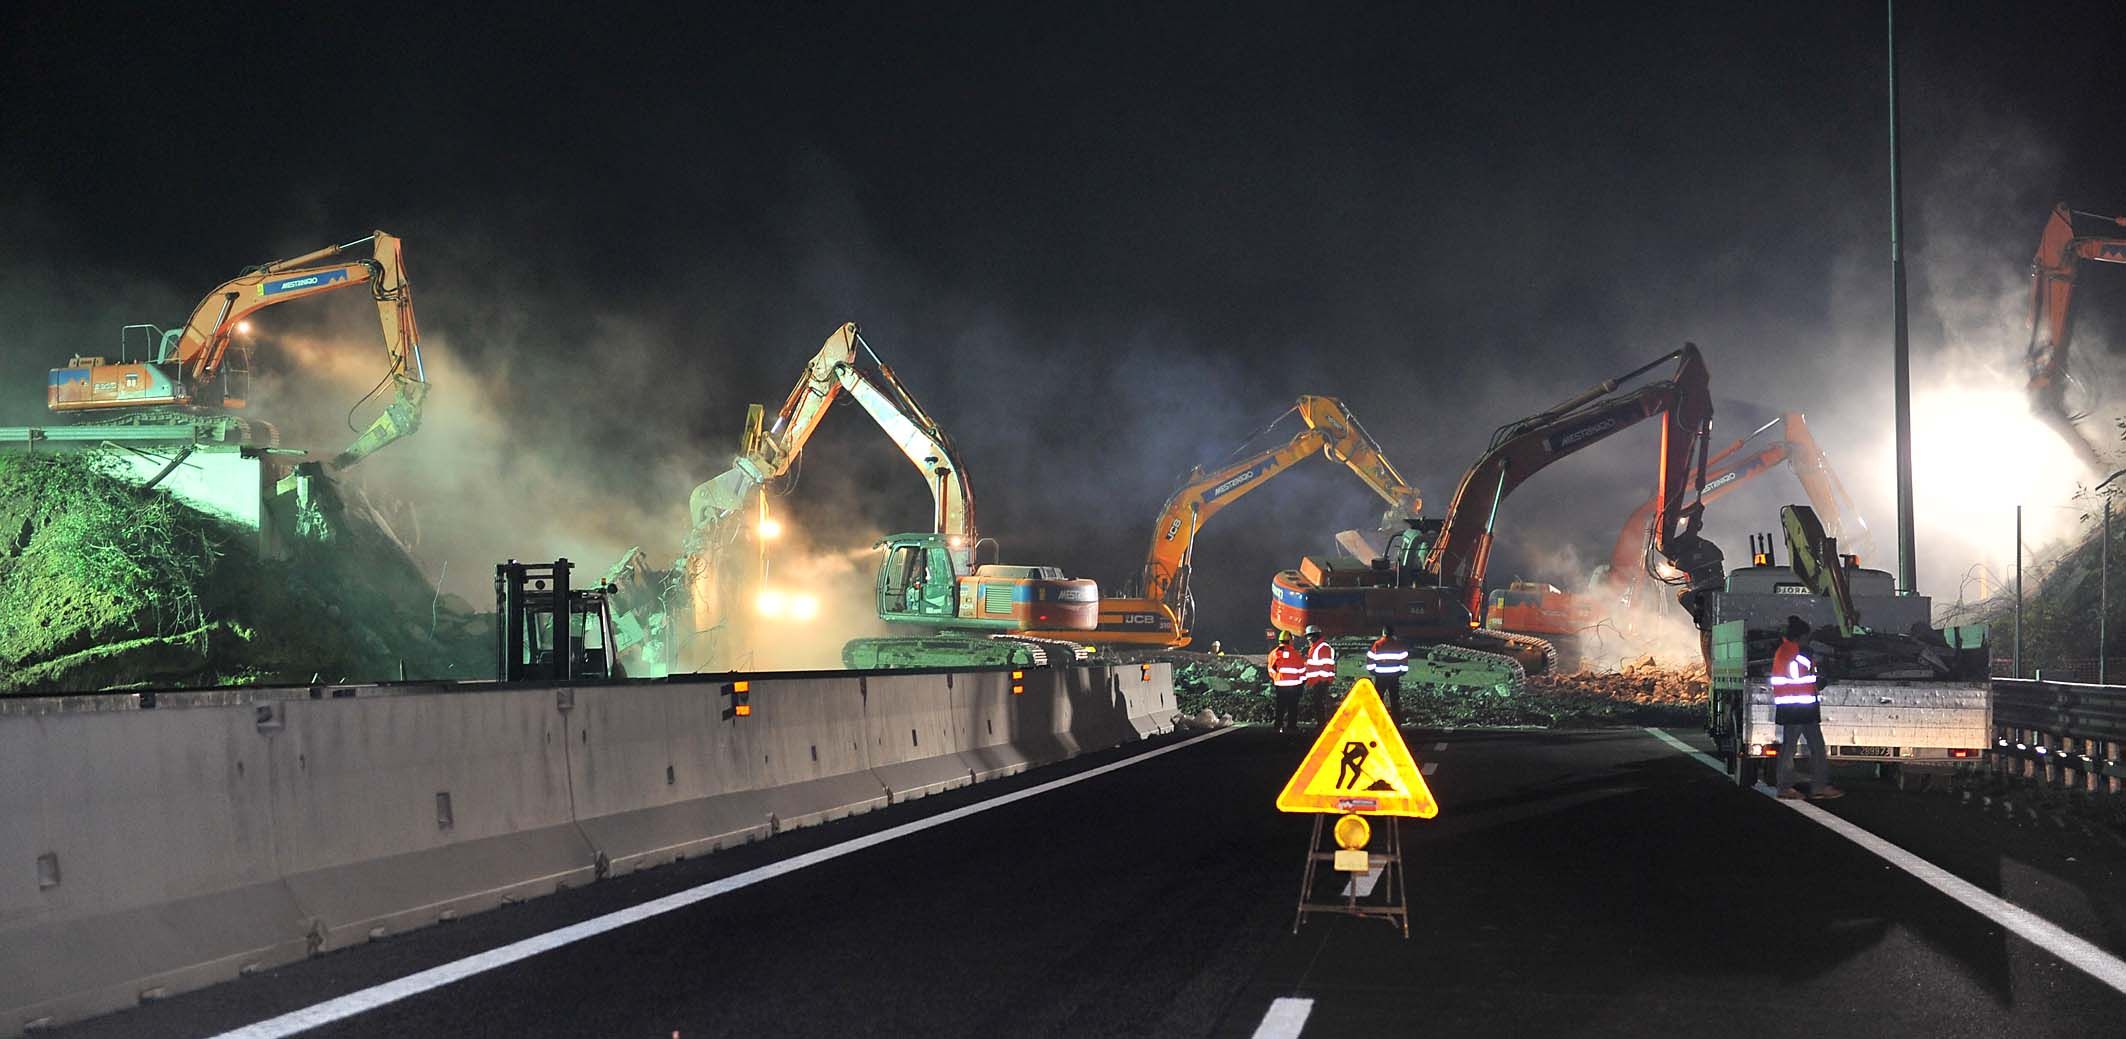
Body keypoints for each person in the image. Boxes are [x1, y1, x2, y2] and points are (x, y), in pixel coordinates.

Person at [1771, 615, 1842, 800]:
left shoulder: (1785, 650)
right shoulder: (1798, 654)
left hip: (1795, 707)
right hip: (1799, 707)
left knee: (1799, 748)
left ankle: (1811, 786)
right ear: (1801, 636)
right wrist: (1820, 681)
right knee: (1808, 748)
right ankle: (1799, 787)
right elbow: (1803, 678)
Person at [1366, 624, 1411, 724]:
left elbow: (1370, 659)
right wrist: (1401, 673)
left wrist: (1373, 672)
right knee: (1394, 699)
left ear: (1383, 633)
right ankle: (1396, 719)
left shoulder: (1377, 644)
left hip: (1380, 677)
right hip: (1394, 677)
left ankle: (1376, 718)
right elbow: (1404, 660)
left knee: (1378, 698)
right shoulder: (1398, 645)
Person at [1268, 631, 1308, 734]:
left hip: (1280, 685)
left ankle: (1278, 726)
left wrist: (1277, 678)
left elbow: (1271, 670)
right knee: (1292, 707)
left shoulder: (1274, 653)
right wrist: (1302, 682)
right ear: (1290, 641)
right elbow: (1302, 670)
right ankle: (1291, 726)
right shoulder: (1296, 654)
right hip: (1294, 686)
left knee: (1280, 706)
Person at [1303, 625, 1337, 727]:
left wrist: (1322, 680)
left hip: (1321, 681)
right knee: (1318, 702)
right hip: (1317, 681)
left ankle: (1322, 723)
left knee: (1319, 702)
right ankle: (1321, 722)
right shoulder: (1316, 647)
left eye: (1310, 637)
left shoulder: (1323, 647)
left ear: (1316, 636)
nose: (1309, 639)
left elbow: (1326, 666)